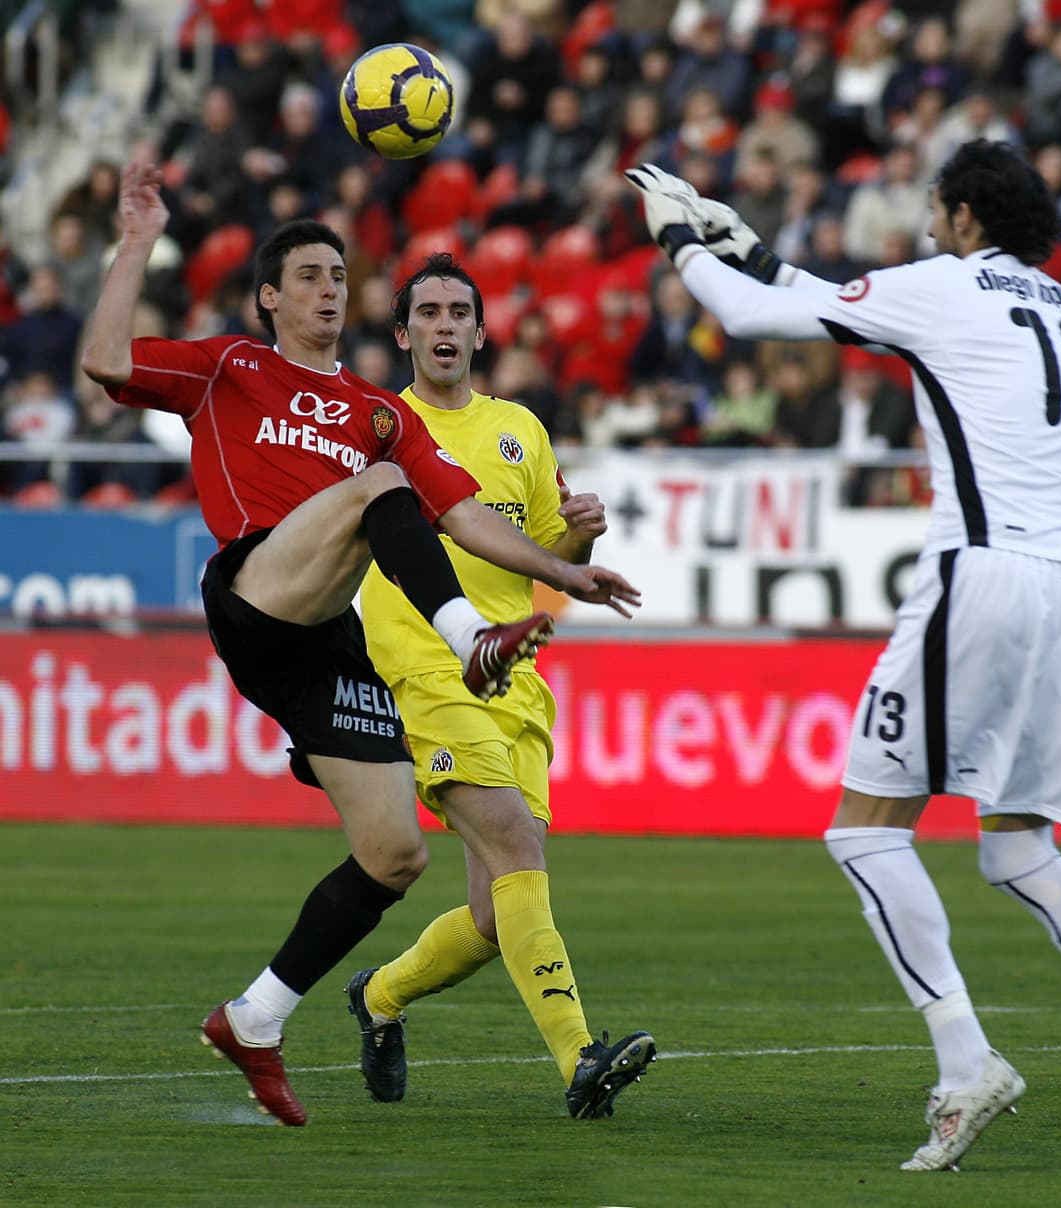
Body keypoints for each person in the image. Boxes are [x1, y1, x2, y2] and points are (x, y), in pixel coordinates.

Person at [626, 141, 1061, 1171]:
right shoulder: (1052, 302)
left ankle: (964, 1062)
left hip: (975, 575)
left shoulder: (944, 285)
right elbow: (820, 294)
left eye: (934, 210)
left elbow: (752, 318)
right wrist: (749, 243)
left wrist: (678, 240)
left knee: (862, 831)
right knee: (1015, 845)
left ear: (958, 216)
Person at [81, 163, 641, 1127]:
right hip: (259, 589)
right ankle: (467, 637)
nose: (328, 289)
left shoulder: (376, 412)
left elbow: (464, 519)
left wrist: (567, 573)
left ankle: (257, 1017)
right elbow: (104, 361)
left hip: (326, 644)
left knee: (392, 857)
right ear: (268, 296)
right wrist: (136, 243)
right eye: (307, 276)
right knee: (383, 484)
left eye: (338, 275)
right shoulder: (230, 368)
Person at [344, 253, 656, 1120]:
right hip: (427, 670)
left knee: (492, 916)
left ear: (482, 332)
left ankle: (379, 997)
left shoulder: (520, 427)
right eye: (429, 313)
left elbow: (553, 560)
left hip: (517, 684)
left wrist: (581, 538)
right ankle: (579, 1059)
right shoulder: (376, 428)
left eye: (459, 313)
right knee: (520, 849)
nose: (445, 326)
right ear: (403, 334)